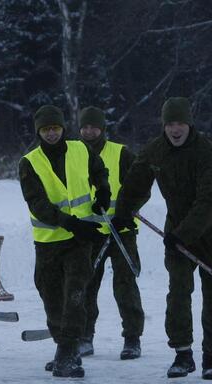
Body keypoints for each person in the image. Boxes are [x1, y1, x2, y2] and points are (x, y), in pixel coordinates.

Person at [114, 97, 212, 380]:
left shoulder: (208, 155)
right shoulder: (156, 151)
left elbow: (209, 202)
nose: (175, 129)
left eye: (180, 123)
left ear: (189, 124)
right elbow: (136, 182)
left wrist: (182, 235)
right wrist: (122, 211)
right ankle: (182, 354)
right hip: (177, 233)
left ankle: (211, 356)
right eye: (170, 123)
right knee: (178, 294)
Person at [18, 104, 110, 378]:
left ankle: (69, 350)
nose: (51, 134)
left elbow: (99, 169)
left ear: (63, 128)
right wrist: (70, 223)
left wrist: (103, 189)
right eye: (46, 130)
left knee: (76, 292)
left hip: (80, 242)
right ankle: (63, 346)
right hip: (49, 241)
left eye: (55, 128)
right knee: (51, 294)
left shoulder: (81, 149)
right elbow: (37, 203)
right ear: (38, 132)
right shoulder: (29, 162)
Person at [77, 106, 146, 360]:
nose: (89, 131)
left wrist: (126, 213)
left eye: (93, 127)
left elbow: (141, 185)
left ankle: (132, 338)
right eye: (84, 127)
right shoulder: (73, 153)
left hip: (121, 231)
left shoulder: (121, 153)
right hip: (90, 231)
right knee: (86, 284)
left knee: (125, 284)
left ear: (102, 128)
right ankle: (84, 336)